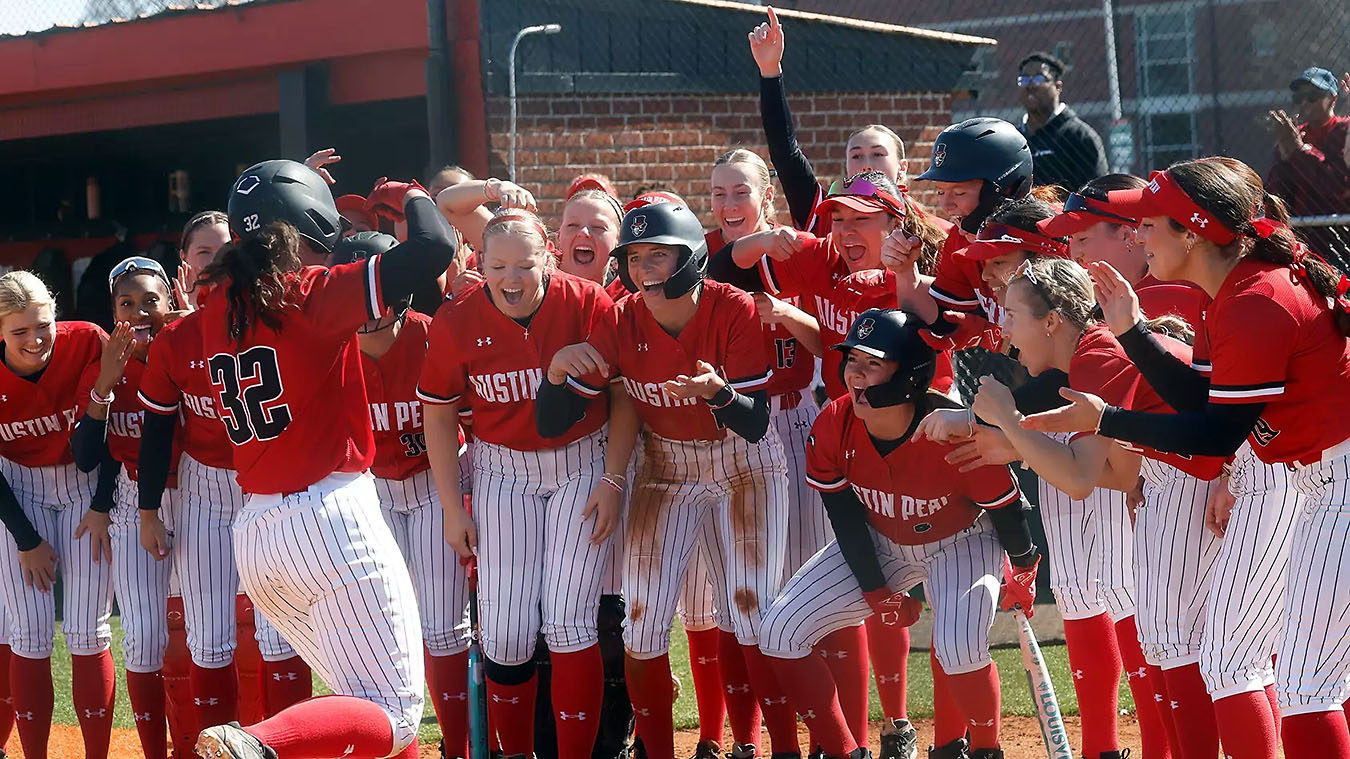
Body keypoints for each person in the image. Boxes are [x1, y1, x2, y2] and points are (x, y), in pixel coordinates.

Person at [1016, 158, 1350, 757]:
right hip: (1311, 479)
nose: (1139, 234)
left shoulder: (1255, 299)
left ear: (1192, 232)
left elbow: (1215, 433)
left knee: (1300, 678)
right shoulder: (1231, 291)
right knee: (1270, 667)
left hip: (1335, 479)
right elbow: (1201, 400)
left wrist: (1107, 419)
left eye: (1151, 223)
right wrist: (1135, 333)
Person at [191, 160, 456, 759]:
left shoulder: (216, 306)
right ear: (310, 222)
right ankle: (257, 742)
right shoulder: (306, 293)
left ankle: (259, 742)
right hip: (330, 518)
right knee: (394, 713)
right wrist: (410, 192)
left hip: (257, 536)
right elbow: (434, 248)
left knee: (358, 703)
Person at [930, 255, 1226, 759]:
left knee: (1203, 655)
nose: (1004, 330)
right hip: (1196, 481)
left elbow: (1079, 480)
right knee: (1185, 649)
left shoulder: (1097, 355)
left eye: (1013, 314)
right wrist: (1013, 443)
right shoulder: (1088, 355)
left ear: (1052, 321)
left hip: (1223, 483)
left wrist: (1007, 419)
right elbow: (1119, 474)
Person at [540, 201, 796, 759]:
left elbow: (754, 423)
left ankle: (782, 749)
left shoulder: (730, 306)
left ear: (691, 257)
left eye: (658, 254)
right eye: (634, 256)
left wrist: (718, 394)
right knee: (643, 620)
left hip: (742, 461)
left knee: (754, 611)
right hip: (665, 462)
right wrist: (556, 372)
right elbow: (557, 417)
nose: (643, 267)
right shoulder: (620, 314)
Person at [759, 308, 1037, 759]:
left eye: (873, 363)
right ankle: (847, 752)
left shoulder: (951, 428)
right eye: (852, 361)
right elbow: (846, 520)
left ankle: (986, 749)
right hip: (881, 541)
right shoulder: (834, 422)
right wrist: (878, 595)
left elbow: (1005, 509)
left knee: (958, 648)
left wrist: (1024, 569)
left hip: (962, 541)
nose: (857, 375)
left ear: (909, 372)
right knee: (779, 632)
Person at [419, 208, 615, 759]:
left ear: (548, 256)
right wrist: (452, 508)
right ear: (478, 264)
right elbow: (438, 414)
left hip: (582, 460)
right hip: (502, 469)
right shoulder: (457, 320)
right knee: (504, 630)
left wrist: (616, 479)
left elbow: (621, 395)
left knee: (569, 620)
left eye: (524, 264)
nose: (510, 277)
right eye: (496, 265)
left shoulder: (587, 302)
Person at [137, 227, 311, 752]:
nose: (214, 265)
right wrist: (148, 510)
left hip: (272, 484)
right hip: (206, 487)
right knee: (209, 637)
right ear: (184, 270)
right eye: (202, 254)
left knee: (280, 633)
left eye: (224, 251)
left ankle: (287, 746)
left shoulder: (278, 320)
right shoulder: (176, 340)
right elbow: (158, 432)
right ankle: (216, 748)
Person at [329, 231, 474, 759]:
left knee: (442, 628)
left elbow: (476, 424)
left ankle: (455, 748)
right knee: (377, 637)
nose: (366, 312)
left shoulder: (434, 336)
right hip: (369, 493)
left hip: (438, 482)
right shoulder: (328, 349)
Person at [69, 257, 182, 759]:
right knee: (142, 637)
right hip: (135, 500)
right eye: (127, 302)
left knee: (203, 633)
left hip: (197, 492)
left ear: (170, 302)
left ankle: (198, 743)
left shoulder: (189, 350)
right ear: (112, 310)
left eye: (150, 300)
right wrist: (105, 387)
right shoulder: (102, 365)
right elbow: (90, 456)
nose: (140, 311)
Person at [0, 271, 116, 759]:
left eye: (42, 324)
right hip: (18, 489)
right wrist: (27, 541)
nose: (35, 339)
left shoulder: (88, 340)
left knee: (89, 629)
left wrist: (102, 506)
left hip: (84, 488)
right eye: (18, 331)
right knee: (27, 631)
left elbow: (118, 427)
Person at [748, 6, 913, 240]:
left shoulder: (926, 229)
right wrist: (770, 71)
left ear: (902, 168)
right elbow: (786, 155)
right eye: (856, 156)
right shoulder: (824, 213)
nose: (866, 164)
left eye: (877, 154)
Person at [1265, 66, 1350, 267]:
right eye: (1299, 98)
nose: (1305, 103)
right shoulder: (1294, 134)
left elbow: (1336, 186)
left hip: (1339, 234)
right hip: (1302, 235)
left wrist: (1300, 151)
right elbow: (1278, 191)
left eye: (1313, 96)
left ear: (1333, 98)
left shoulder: (1344, 130)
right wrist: (1286, 158)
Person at [1016, 52, 1108, 193]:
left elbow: (1098, 194)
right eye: (1024, 79)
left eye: (1038, 79)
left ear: (1058, 87)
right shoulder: (1014, 139)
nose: (1030, 86)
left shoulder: (1080, 136)